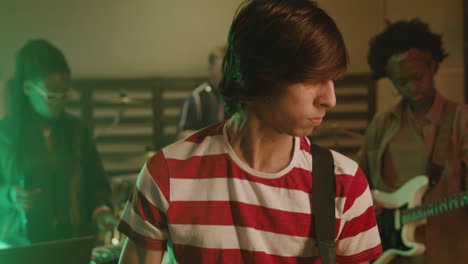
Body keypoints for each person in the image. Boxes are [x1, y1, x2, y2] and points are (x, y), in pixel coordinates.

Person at [118, 0, 383, 263]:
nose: (330, 99)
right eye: (312, 79)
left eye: (333, 80)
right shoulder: (168, 173)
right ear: (259, 74)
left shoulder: (345, 184)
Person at [357, 19, 468, 264]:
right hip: (392, 254)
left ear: (433, 66)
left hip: (448, 253)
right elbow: (358, 180)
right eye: (401, 82)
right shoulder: (382, 124)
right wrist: (366, 204)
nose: (412, 88)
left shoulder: (462, 121)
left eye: (418, 77)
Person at [0, 39, 117, 247]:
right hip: (19, 246)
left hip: (72, 242)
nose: (60, 101)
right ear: (27, 88)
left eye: (65, 93)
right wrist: (9, 195)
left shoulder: (78, 131)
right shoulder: (5, 134)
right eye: (52, 94)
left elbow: (96, 183)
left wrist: (101, 211)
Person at [175, 45, 227, 140]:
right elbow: (182, 136)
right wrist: (212, 138)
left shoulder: (238, 98)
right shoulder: (197, 98)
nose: (226, 76)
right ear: (210, 69)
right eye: (222, 70)